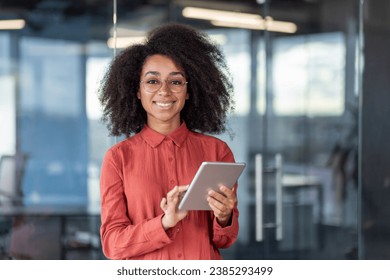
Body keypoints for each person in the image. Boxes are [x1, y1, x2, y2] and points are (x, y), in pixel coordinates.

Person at [98, 22, 239, 260]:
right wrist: (164, 223)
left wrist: (224, 217)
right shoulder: (118, 158)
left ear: (188, 90)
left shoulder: (217, 151)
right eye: (152, 81)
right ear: (137, 91)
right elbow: (113, 245)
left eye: (175, 81)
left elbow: (224, 240)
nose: (164, 91)